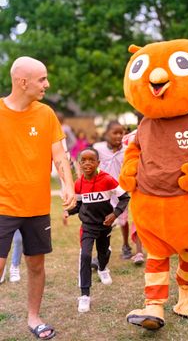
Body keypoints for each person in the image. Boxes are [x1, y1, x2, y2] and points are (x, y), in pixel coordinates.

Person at [0, 56, 76, 340]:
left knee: (36, 265)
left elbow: (59, 155)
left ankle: (34, 317)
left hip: (36, 207)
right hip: (3, 206)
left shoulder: (46, 114)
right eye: (42, 79)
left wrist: (68, 185)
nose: (47, 84)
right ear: (22, 82)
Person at [63, 147, 130, 313]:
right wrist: (68, 212)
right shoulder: (79, 184)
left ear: (98, 163)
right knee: (85, 256)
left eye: (91, 160)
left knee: (103, 253)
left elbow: (124, 197)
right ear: (79, 164)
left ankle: (102, 268)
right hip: (87, 226)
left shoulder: (107, 180)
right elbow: (79, 205)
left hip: (105, 225)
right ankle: (84, 295)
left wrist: (114, 214)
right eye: (83, 160)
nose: (87, 163)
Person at [93, 121, 144, 264]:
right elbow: (92, 163)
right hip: (104, 192)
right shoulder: (98, 148)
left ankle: (127, 246)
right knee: (104, 223)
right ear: (106, 134)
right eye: (114, 133)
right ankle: (103, 252)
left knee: (124, 221)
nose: (118, 136)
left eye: (121, 133)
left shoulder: (127, 150)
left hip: (122, 191)